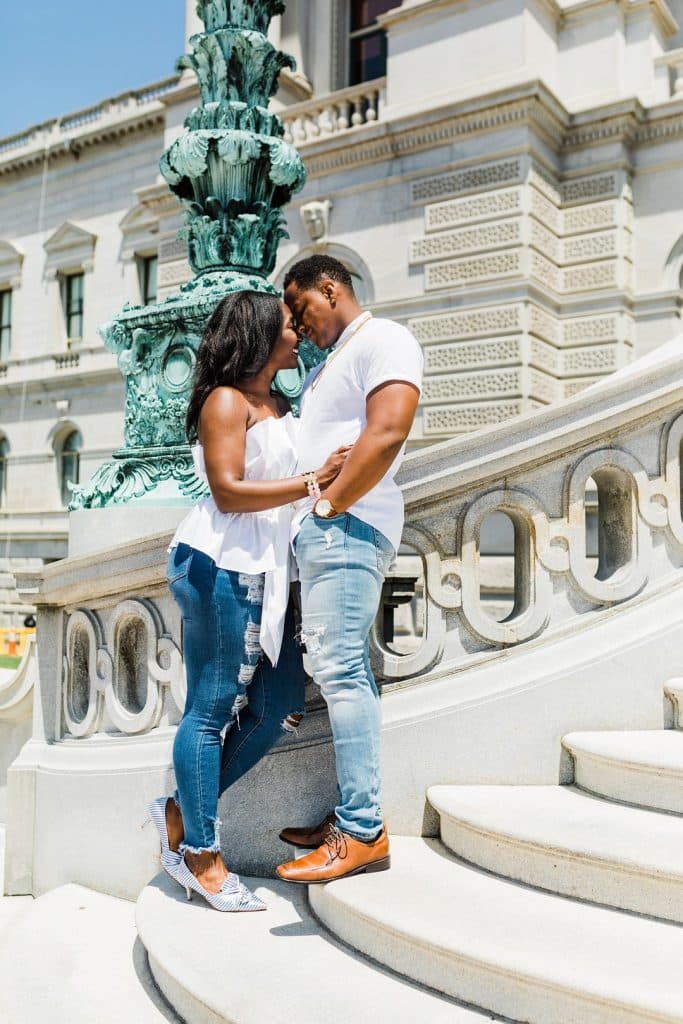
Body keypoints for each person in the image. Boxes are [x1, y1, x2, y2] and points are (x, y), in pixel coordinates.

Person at [147, 290, 350, 912]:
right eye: (289, 325)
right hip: (219, 562)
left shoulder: (283, 403)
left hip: (272, 568)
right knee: (210, 709)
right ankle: (200, 855)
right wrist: (315, 480)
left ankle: (180, 810)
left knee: (279, 705)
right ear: (260, 334)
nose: (299, 333)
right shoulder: (225, 401)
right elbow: (229, 492)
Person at [276, 255, 423, 885]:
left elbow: (388, 431)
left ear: (330, 289)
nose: (296, 323)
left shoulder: (384, 338)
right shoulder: (329, 363)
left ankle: (361, 830)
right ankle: (350, 815)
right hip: (329, 529)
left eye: (300, 306)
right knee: (335, 667)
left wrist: (330, 506)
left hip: (349, 526)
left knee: (339, 669)